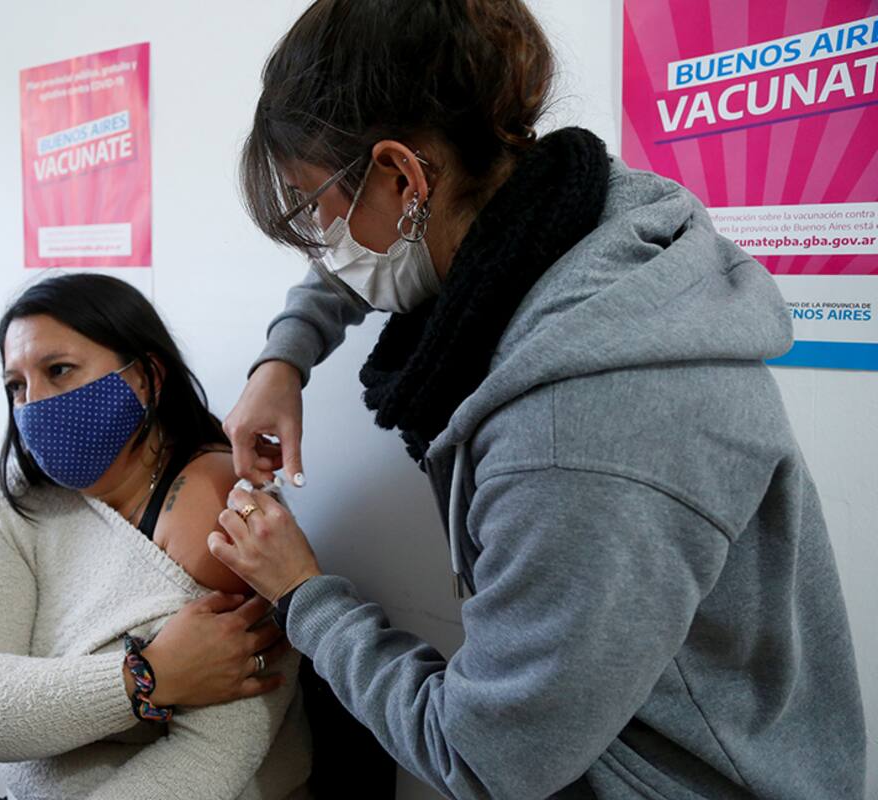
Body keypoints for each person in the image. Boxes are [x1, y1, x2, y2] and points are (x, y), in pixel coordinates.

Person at [208, 1, 868, 798]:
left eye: (316, 204)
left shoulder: (577, 439)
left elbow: (487, 761)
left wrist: (302, 595)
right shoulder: (582, 210)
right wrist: (284, 358)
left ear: (402, 177)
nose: (323, 239)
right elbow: (367, 250)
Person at [0, 274, 311, 800]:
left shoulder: (226, 518)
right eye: (17, 385)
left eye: (59, 371)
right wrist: (145, 677)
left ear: (146, 376)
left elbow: (208, 761)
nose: (33, 405)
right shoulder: (19, 498)